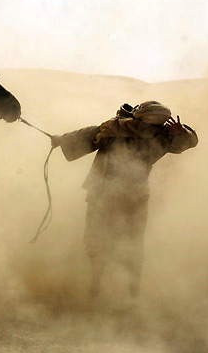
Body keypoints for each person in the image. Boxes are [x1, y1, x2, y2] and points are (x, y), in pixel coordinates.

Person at [51, 101, 198, 297]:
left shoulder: (116, 128)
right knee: (133, 242)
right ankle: (132, 293)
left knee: (97, 240)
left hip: (103, 193)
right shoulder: (162, 137)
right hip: (135, 196)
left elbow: (87, 136)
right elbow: (190, 142)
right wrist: (181, 132)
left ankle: (96, 288)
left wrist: (60, 139)